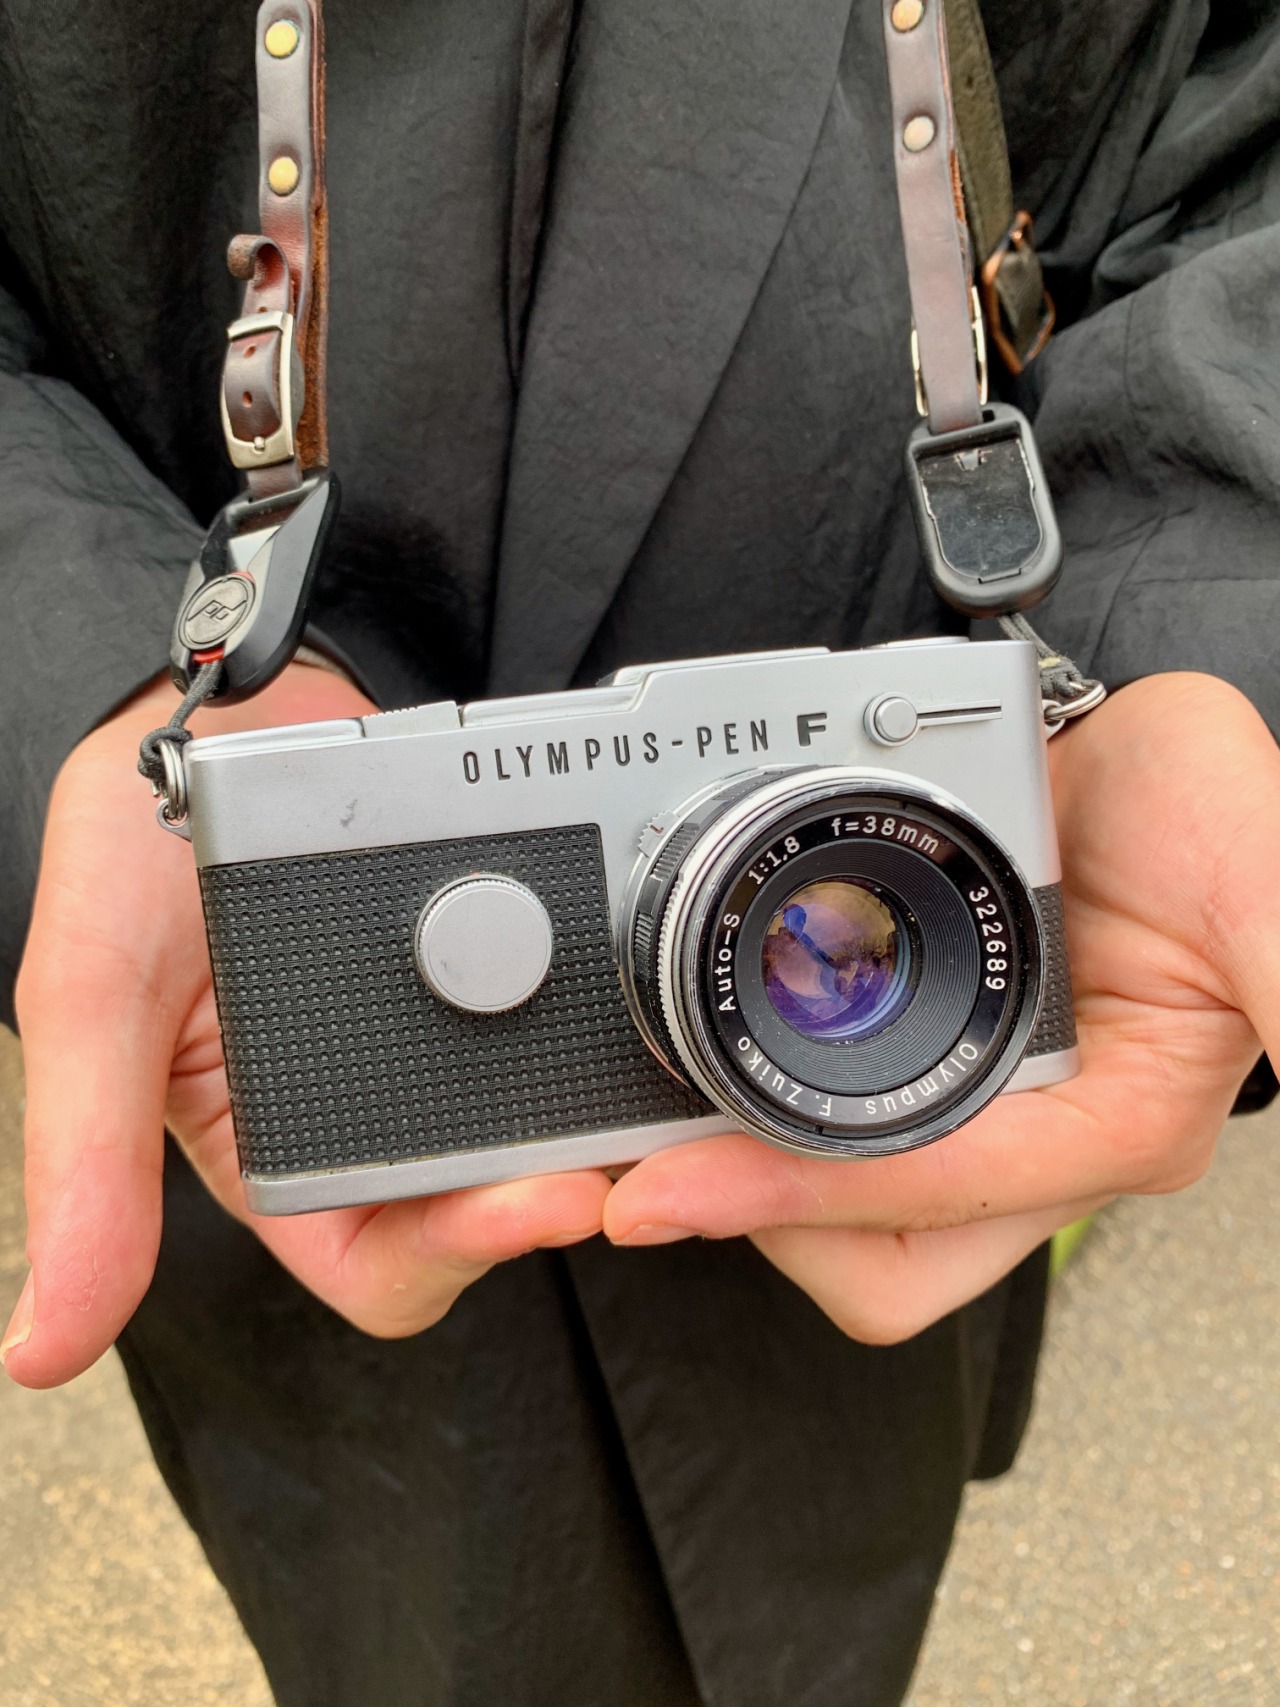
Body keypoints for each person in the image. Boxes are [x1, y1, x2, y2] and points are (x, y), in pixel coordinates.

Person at [2, 1, 1278, 1702]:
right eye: (809, 945)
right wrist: (89, 690)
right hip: (286, 1072)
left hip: (951, 1007)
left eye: (813, 947)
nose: (795, 946)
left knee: (839, 1577)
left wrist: (1191, 629)